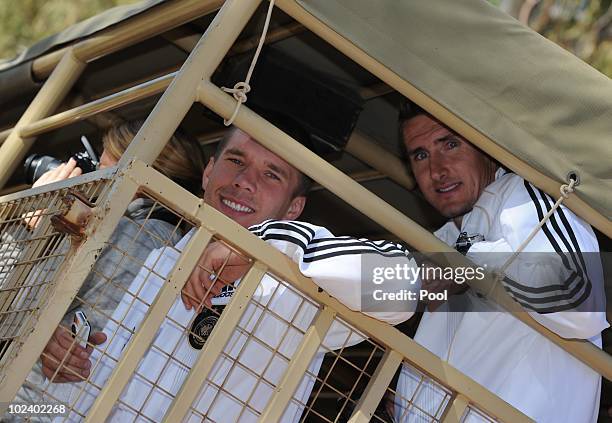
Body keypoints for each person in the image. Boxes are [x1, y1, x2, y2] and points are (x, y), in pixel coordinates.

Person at [238, 102, 608, 422]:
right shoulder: (445, 240)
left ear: (488, 150)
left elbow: (579, 301)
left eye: (450, 144)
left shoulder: (527, 196)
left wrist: (467, 266)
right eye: (420, 154)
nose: (437, 168)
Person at [55, 126, 418, 422]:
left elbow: (403, 287)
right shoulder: (162, 260)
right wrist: (70, 367)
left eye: (271, 174)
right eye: (236, 160)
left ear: (294, 208)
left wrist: (264, 247)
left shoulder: (300, 281)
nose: (245, 181)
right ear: (209, 171)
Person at [10, 120, 206, 411]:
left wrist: (33, 233)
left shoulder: (137, 234)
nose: (94, 178)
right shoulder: (154, 233)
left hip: (31, 406)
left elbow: (16, 308)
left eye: (103, 167)